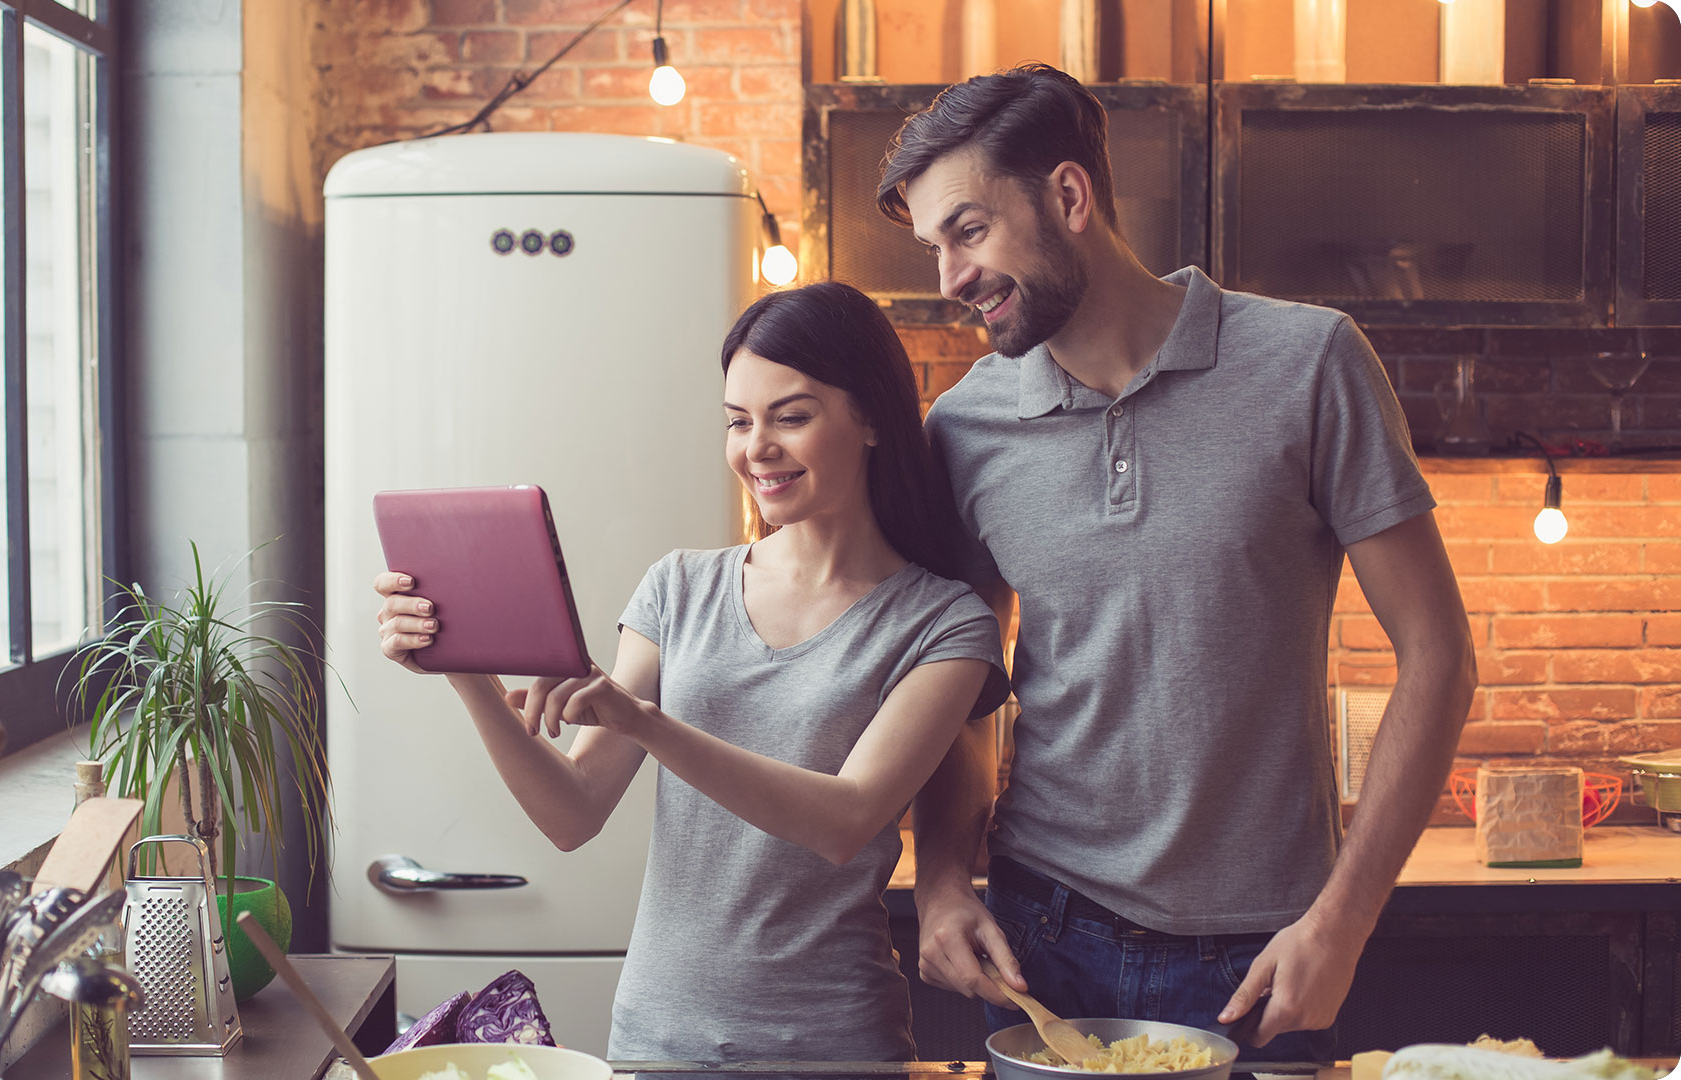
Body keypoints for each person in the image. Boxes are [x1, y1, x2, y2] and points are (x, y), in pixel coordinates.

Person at [874, 63, 1478, 1061]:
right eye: (935, 245)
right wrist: (940, 885)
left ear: (1070, 198)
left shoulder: (1309, 364)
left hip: (1265, 957)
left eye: (969, 231)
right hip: (1042, 944)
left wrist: (1345, 920)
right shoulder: (967, 427)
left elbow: (1439, 655)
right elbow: (961, 697)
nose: (948, 278)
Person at [373, 281, 1011, 1063]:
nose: (756, 448)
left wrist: (645, 721)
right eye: (738, 422)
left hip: (832, 1047)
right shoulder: (680, 587)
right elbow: (571, 814)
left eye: (792, 416)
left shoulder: (943, 623)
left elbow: (845, 821)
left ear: (872, 416)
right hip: (658, 1038)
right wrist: (461, 666)